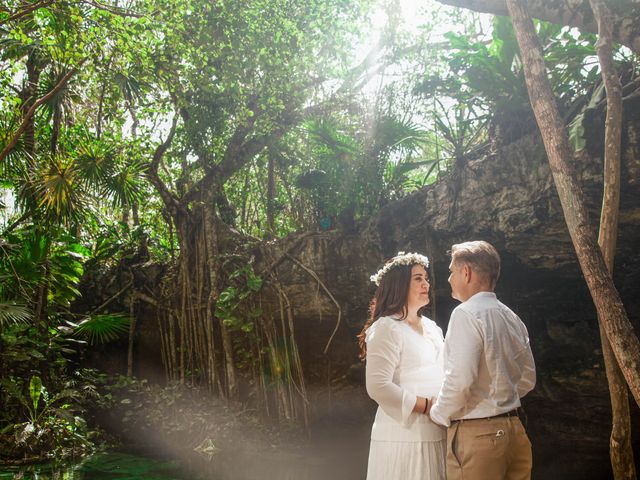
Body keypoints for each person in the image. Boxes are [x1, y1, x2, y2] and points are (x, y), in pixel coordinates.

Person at [429, 241, 536, 480]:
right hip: (515, 432)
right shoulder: (512, 317)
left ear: (465, 272)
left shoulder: (465, 313)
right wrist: (499, 400)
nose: (448, 279)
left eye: (451, 271)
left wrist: (438, 413)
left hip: (478, 438)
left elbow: (460, 380)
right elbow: (528, 379)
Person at [358, 252, 446, 480]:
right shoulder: (386, 327)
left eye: (426, 278)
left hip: (438, 428)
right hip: (403, 434)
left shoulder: (433, 328)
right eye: (418, 278)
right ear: (398, 284)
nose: (426, 283)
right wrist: (426, 406)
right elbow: (377, 386)